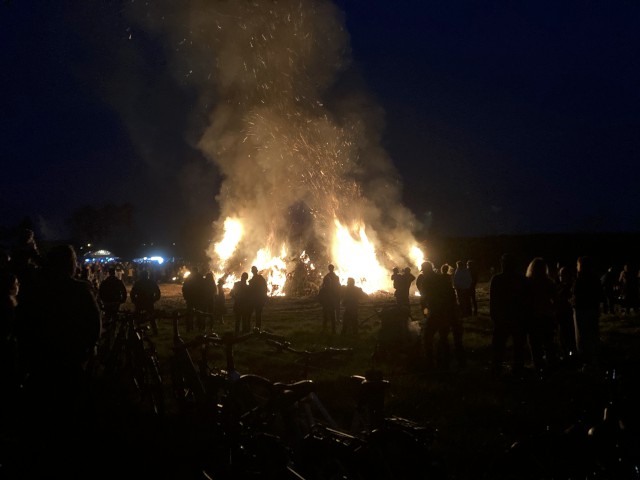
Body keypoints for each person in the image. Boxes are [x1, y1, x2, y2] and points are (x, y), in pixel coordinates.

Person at [489, 254, 528, 376]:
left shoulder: (497, 279)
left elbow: (493, 300)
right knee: (518, 346)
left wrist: (494, 316)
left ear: (503, 264)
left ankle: (497, 368)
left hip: (503, 318)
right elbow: (526, 300)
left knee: (499, 346)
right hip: (517, 318)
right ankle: (517, 368)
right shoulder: (522, 279)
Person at [524, 257, 559, 374]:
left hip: (533, 317)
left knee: (535, 345)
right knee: (549, 343)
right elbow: (556, 300)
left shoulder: (527, 282)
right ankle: (552, 365)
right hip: (546, 316)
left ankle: (538, 366)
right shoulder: (548, 282)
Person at [572, 256, 603, 371]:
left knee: (582, 336)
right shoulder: (595, 278)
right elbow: (600, 294)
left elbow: (575, 293)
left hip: (582, 310)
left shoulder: (580, 279)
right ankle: (595, 359)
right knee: (593, 334)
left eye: (577, 265)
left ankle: (586, 361)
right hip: (593, 309)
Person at [555, 266, 576, 362]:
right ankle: (565, 353)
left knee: (568, 335)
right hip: (561, 315)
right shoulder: (559, 286)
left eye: (562, 274)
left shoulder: (572, 286)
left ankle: (570, 354)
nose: (560, 276)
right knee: (562, 335)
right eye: (560, 274)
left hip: (568, 315)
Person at [130, 269, 161, 335]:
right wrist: (155, 299)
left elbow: (132, 293)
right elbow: (158, 292)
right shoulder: (151, 282)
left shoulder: (139, 283)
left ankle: (137, 331)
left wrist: (134, 300)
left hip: (141, 301)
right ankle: (154, 331)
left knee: (140, 317)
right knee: (151, 317)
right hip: (147, 302)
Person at [319, 264, 341, 333]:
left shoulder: (327, 276)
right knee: (335, 308)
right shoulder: (335, 277)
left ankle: (326, 326)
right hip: (334, 294)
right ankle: (335, 322)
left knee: (330, 310)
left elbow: (323, 285)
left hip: (333, 294)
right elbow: (338, 285)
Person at [182, 267, 203, 332]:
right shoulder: (199, 278)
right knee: (197, 312)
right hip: (196, 298)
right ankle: (198, 327)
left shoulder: (189, 278)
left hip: (192, 298)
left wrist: (185, 296)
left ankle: (190, 327)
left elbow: (184, 288)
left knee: (191, 312)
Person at [248, 266, 269, 330]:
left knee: (251, 314)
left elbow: (250, 290)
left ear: (252, 272)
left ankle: (250, 328)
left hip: (255, 299)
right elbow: (265, 288)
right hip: (258, 299)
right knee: (258, 314)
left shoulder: (253, 280)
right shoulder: (260, 278)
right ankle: (257, 328)